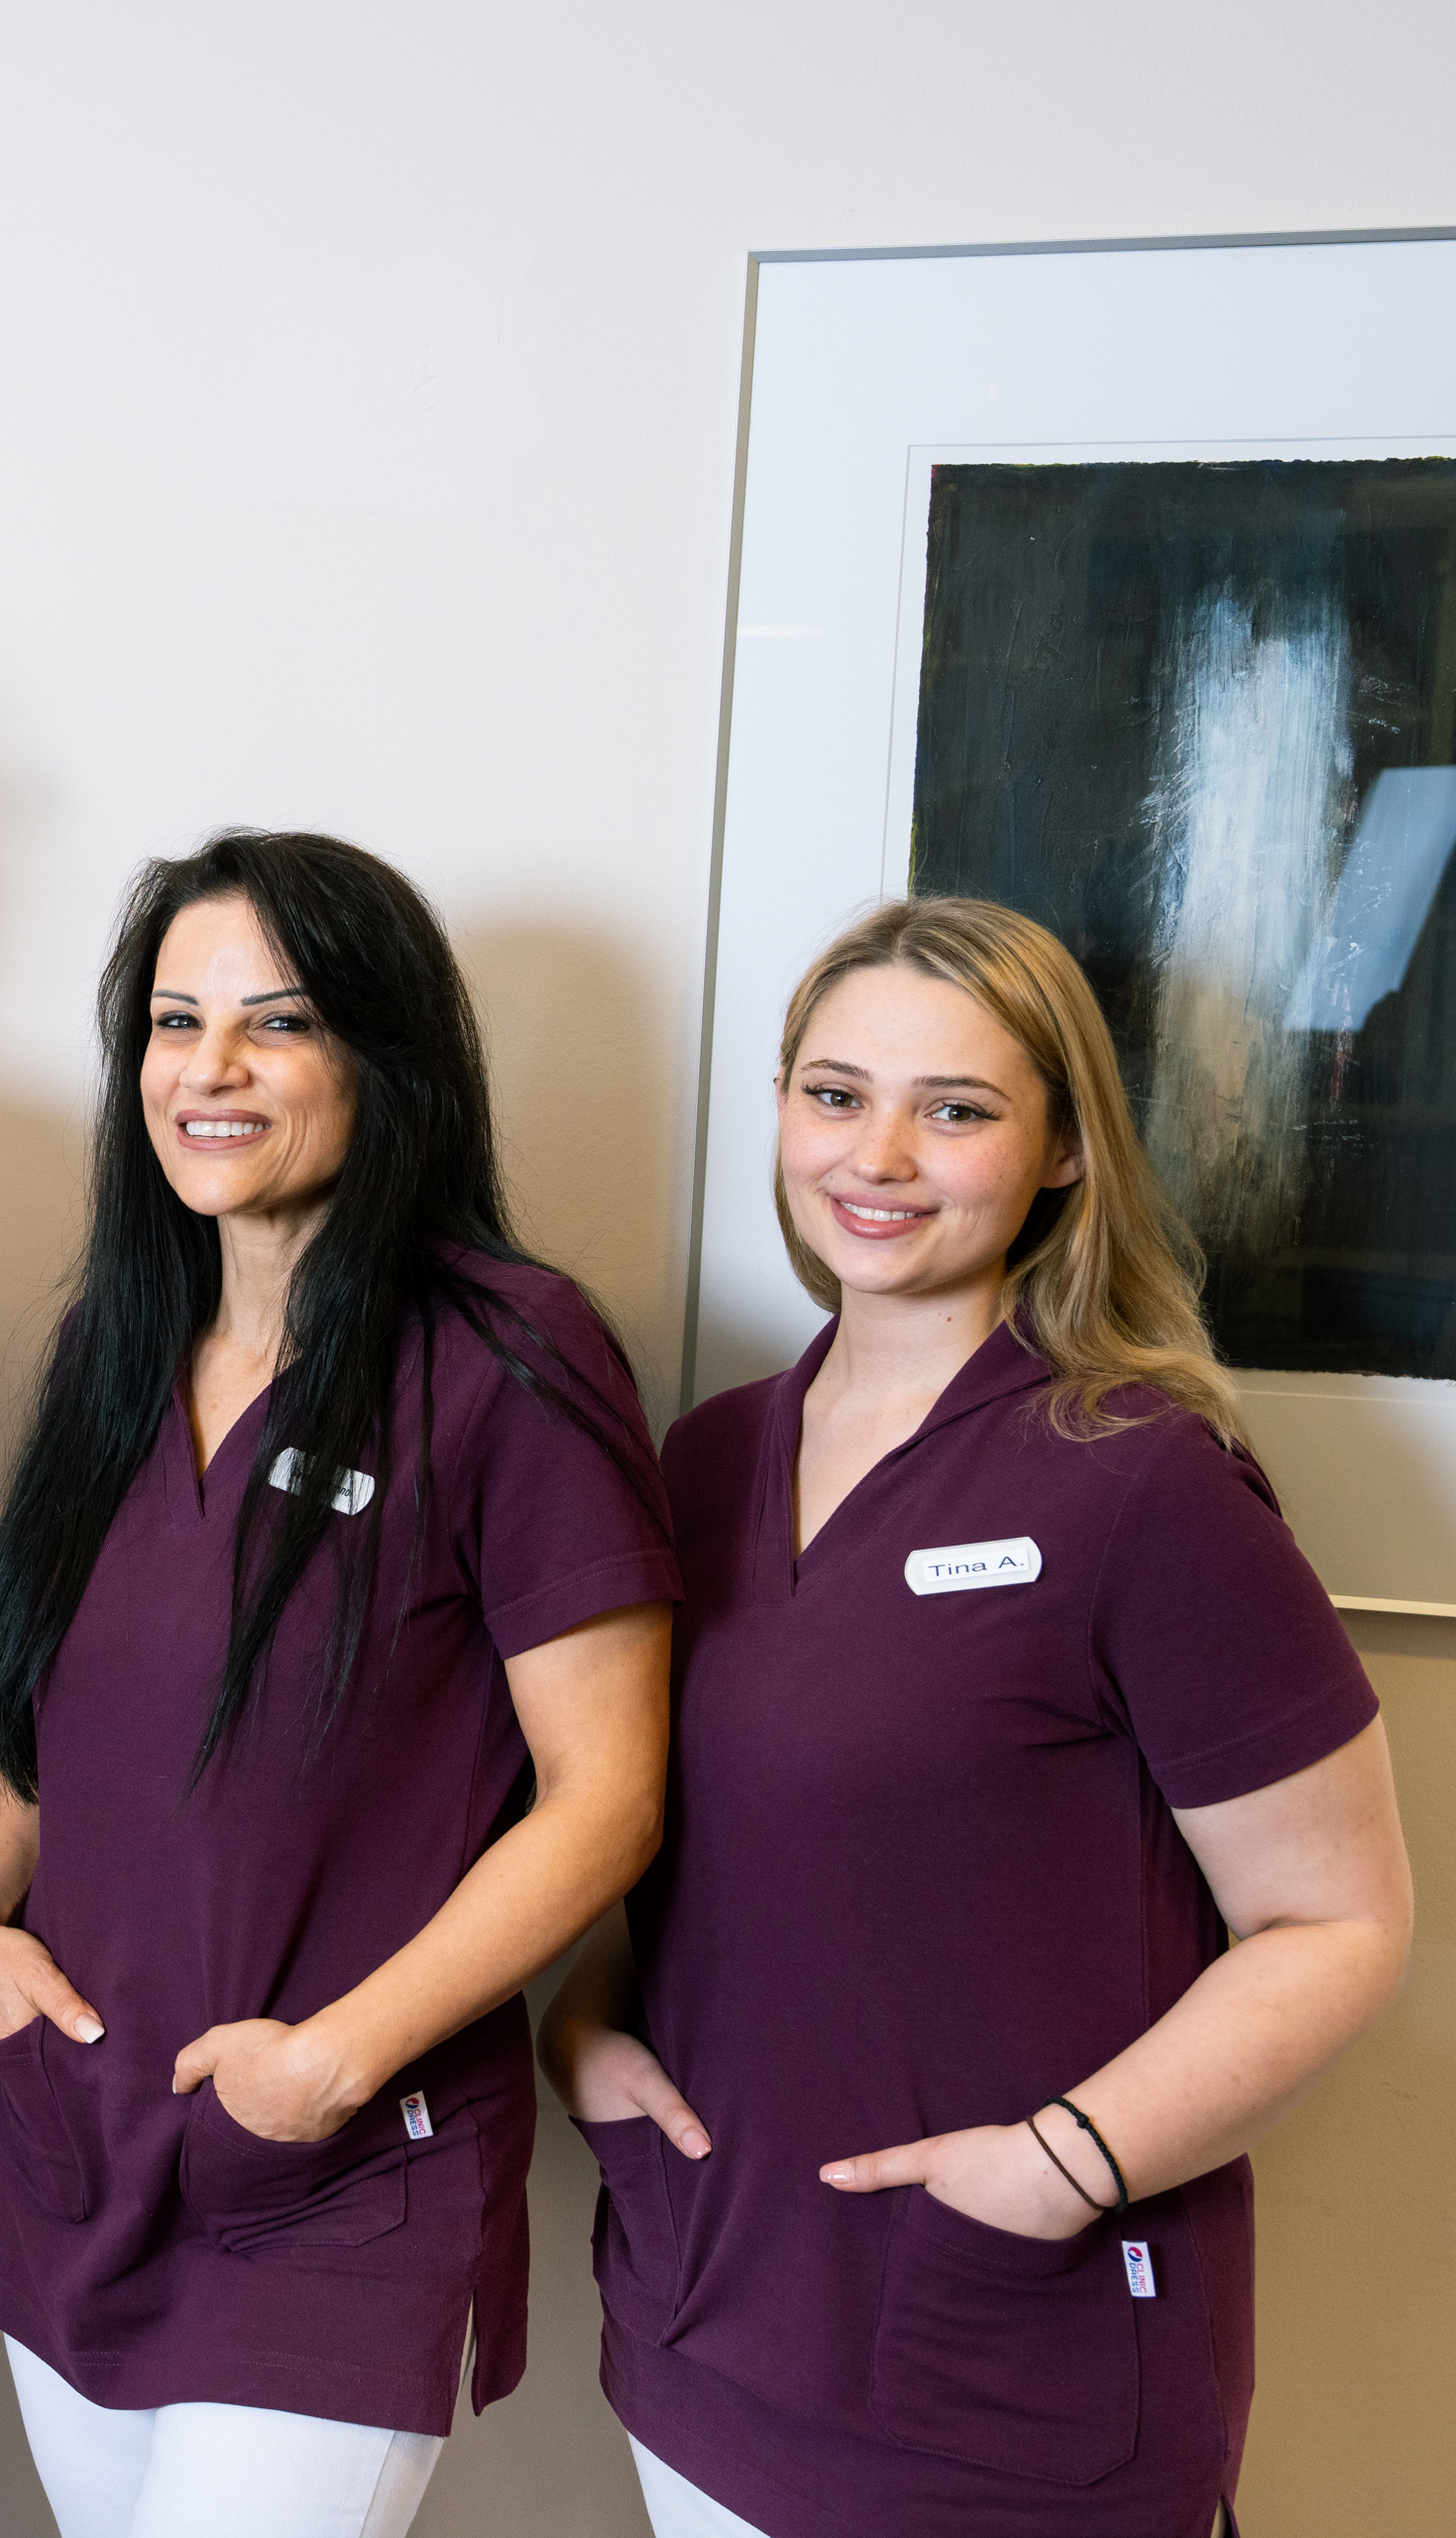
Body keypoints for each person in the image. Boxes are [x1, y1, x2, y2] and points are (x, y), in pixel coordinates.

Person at [541, 897, 1413, 2538]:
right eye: (836, 1094)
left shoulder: (1143, 1480)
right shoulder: (706, 1461)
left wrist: (1064, 2164)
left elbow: (1339, 1921)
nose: (877, 1155)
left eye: (954, 1109)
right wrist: (585, 2020)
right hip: (707, 2325)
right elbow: (680, 1831)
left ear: (1064, 1150)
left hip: (1004, 2365)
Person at [0, 831, 678, 2538]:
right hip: (82, 2149)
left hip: (335, 2174)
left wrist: (334, 2067)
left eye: (275, 1024)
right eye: (174, 1023)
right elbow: (52, 1710)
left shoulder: (508, 1359)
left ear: (384, 1061)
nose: (211, 1070)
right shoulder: (116, 1346)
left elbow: (608, 1800)